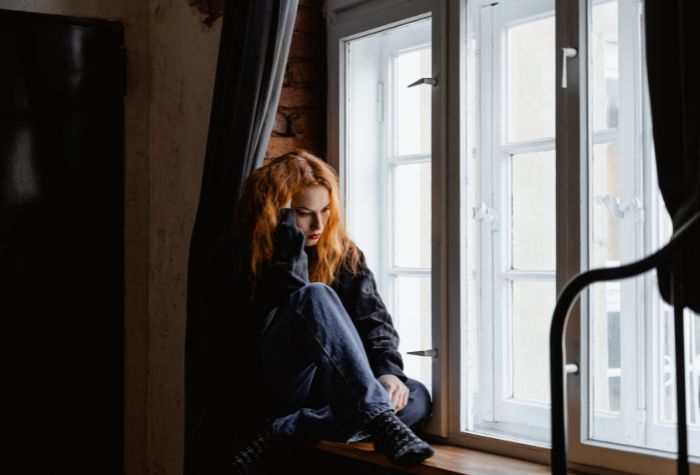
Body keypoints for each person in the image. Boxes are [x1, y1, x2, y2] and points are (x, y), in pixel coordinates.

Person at [204, 149, 434, 474]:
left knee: (415, 396)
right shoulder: (240, 255)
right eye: (302, 213)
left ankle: (289, 428)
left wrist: (388, 372)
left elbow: (374, 322)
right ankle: (372, 416)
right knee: (313, 294)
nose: (319, 224)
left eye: (326, 210)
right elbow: (275, 313)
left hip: (330, 393)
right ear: (276, 212)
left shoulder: (343, 253)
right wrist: (288, 241)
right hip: (277, 384)